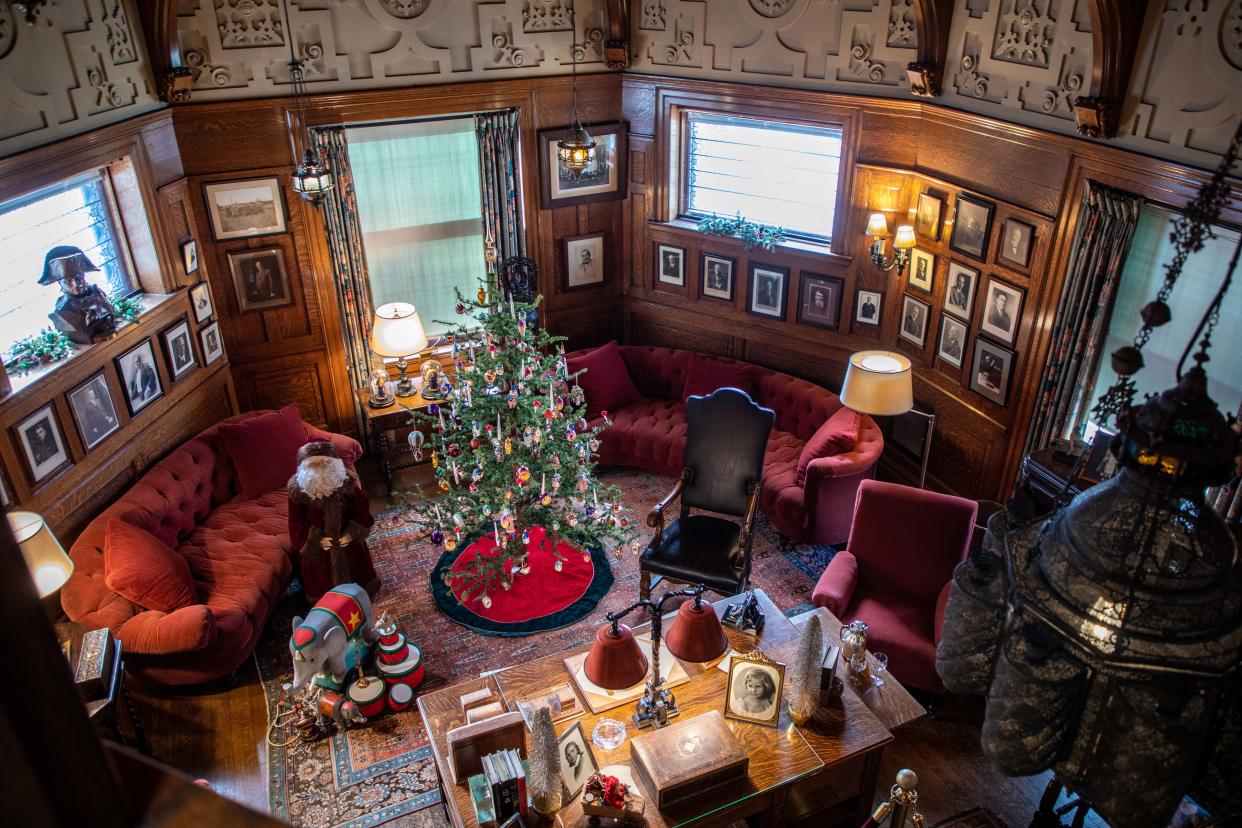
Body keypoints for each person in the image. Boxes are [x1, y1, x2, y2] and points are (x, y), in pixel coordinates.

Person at [288, 440, 381, 602]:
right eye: (313, 464)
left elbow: (361, 510)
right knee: (321, 581)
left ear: (333, 462)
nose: (320, 467)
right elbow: (296, 522)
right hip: (320, 550)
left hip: (347, 543)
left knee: (357, 570)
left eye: (324, 462)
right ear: (304, 466)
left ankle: (361, 592)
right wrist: (314, 540)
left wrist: (353, 532)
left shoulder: (347, 482)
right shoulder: (298, 490)